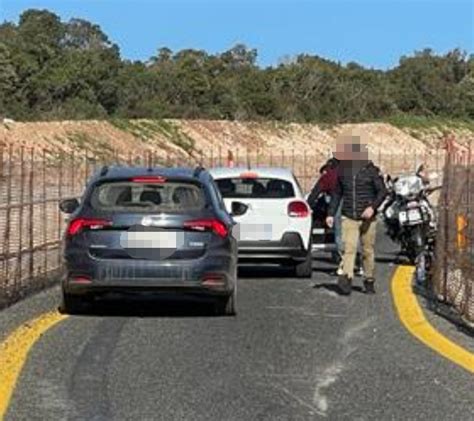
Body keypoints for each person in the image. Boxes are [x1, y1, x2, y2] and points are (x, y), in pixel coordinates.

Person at [326, 133, 387, 295]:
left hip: (368, 217)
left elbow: (382, 191)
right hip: (349, 216)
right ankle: (346, 279)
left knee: (367, 250)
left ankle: (369, 280)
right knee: (349, 249)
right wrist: (330, 214)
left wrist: (372, 208)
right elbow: (337, 194)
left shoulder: (371, 171)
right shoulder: (342, 172)